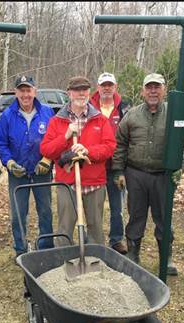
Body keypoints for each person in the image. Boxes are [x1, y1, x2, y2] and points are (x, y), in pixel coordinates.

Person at [112, 73, 184, 276]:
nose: (153, 91)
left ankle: (166, 257)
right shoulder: (132, 115)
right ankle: (133, 254)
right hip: (135, 174)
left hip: (163, 176)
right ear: (143, 91)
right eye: (149, 87)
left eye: (157, 87)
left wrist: (180, 166)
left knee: (164, 217)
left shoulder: (174, 114)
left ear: (164, 89)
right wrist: (118, 170)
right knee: (136, 215)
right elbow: (120, 144)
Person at [40, 76, 116, 247]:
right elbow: (46, 150)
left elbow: (110, 147)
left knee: (95, 227)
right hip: (67, 184)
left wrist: (88, 151)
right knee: (65, 228)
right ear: (69, 93)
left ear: (89, 92)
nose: (81, 93)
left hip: (94, 183)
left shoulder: (100, 119)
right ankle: (64, 261)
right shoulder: (57, 121)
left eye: (85, 90)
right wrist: (65, 135)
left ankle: (94, 262)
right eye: (77, 90)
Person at [0, 76, 55, 259]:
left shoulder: (47, 112)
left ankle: (46, 247)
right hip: (18, 173)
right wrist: (9, 162)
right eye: (21, 90)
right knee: (18, 214)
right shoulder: (7, 115)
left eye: (28, 90)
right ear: (16, 93)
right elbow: (1, 143)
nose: (25, 94)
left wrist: (47, 159)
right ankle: (21, 250)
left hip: (41, 171)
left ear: (34, 91)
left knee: (45, 210)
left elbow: (55, 139)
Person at [89, 72, 129, 255]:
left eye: (109, 85)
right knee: (93, 207)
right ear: (98, 87)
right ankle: (94, 240)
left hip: (116, 166)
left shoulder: (124, 108)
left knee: (117, 207)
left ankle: (116, 240)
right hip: (94, 165)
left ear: (115, 87)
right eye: (103, 85)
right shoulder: (89, 107)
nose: (106, 88)